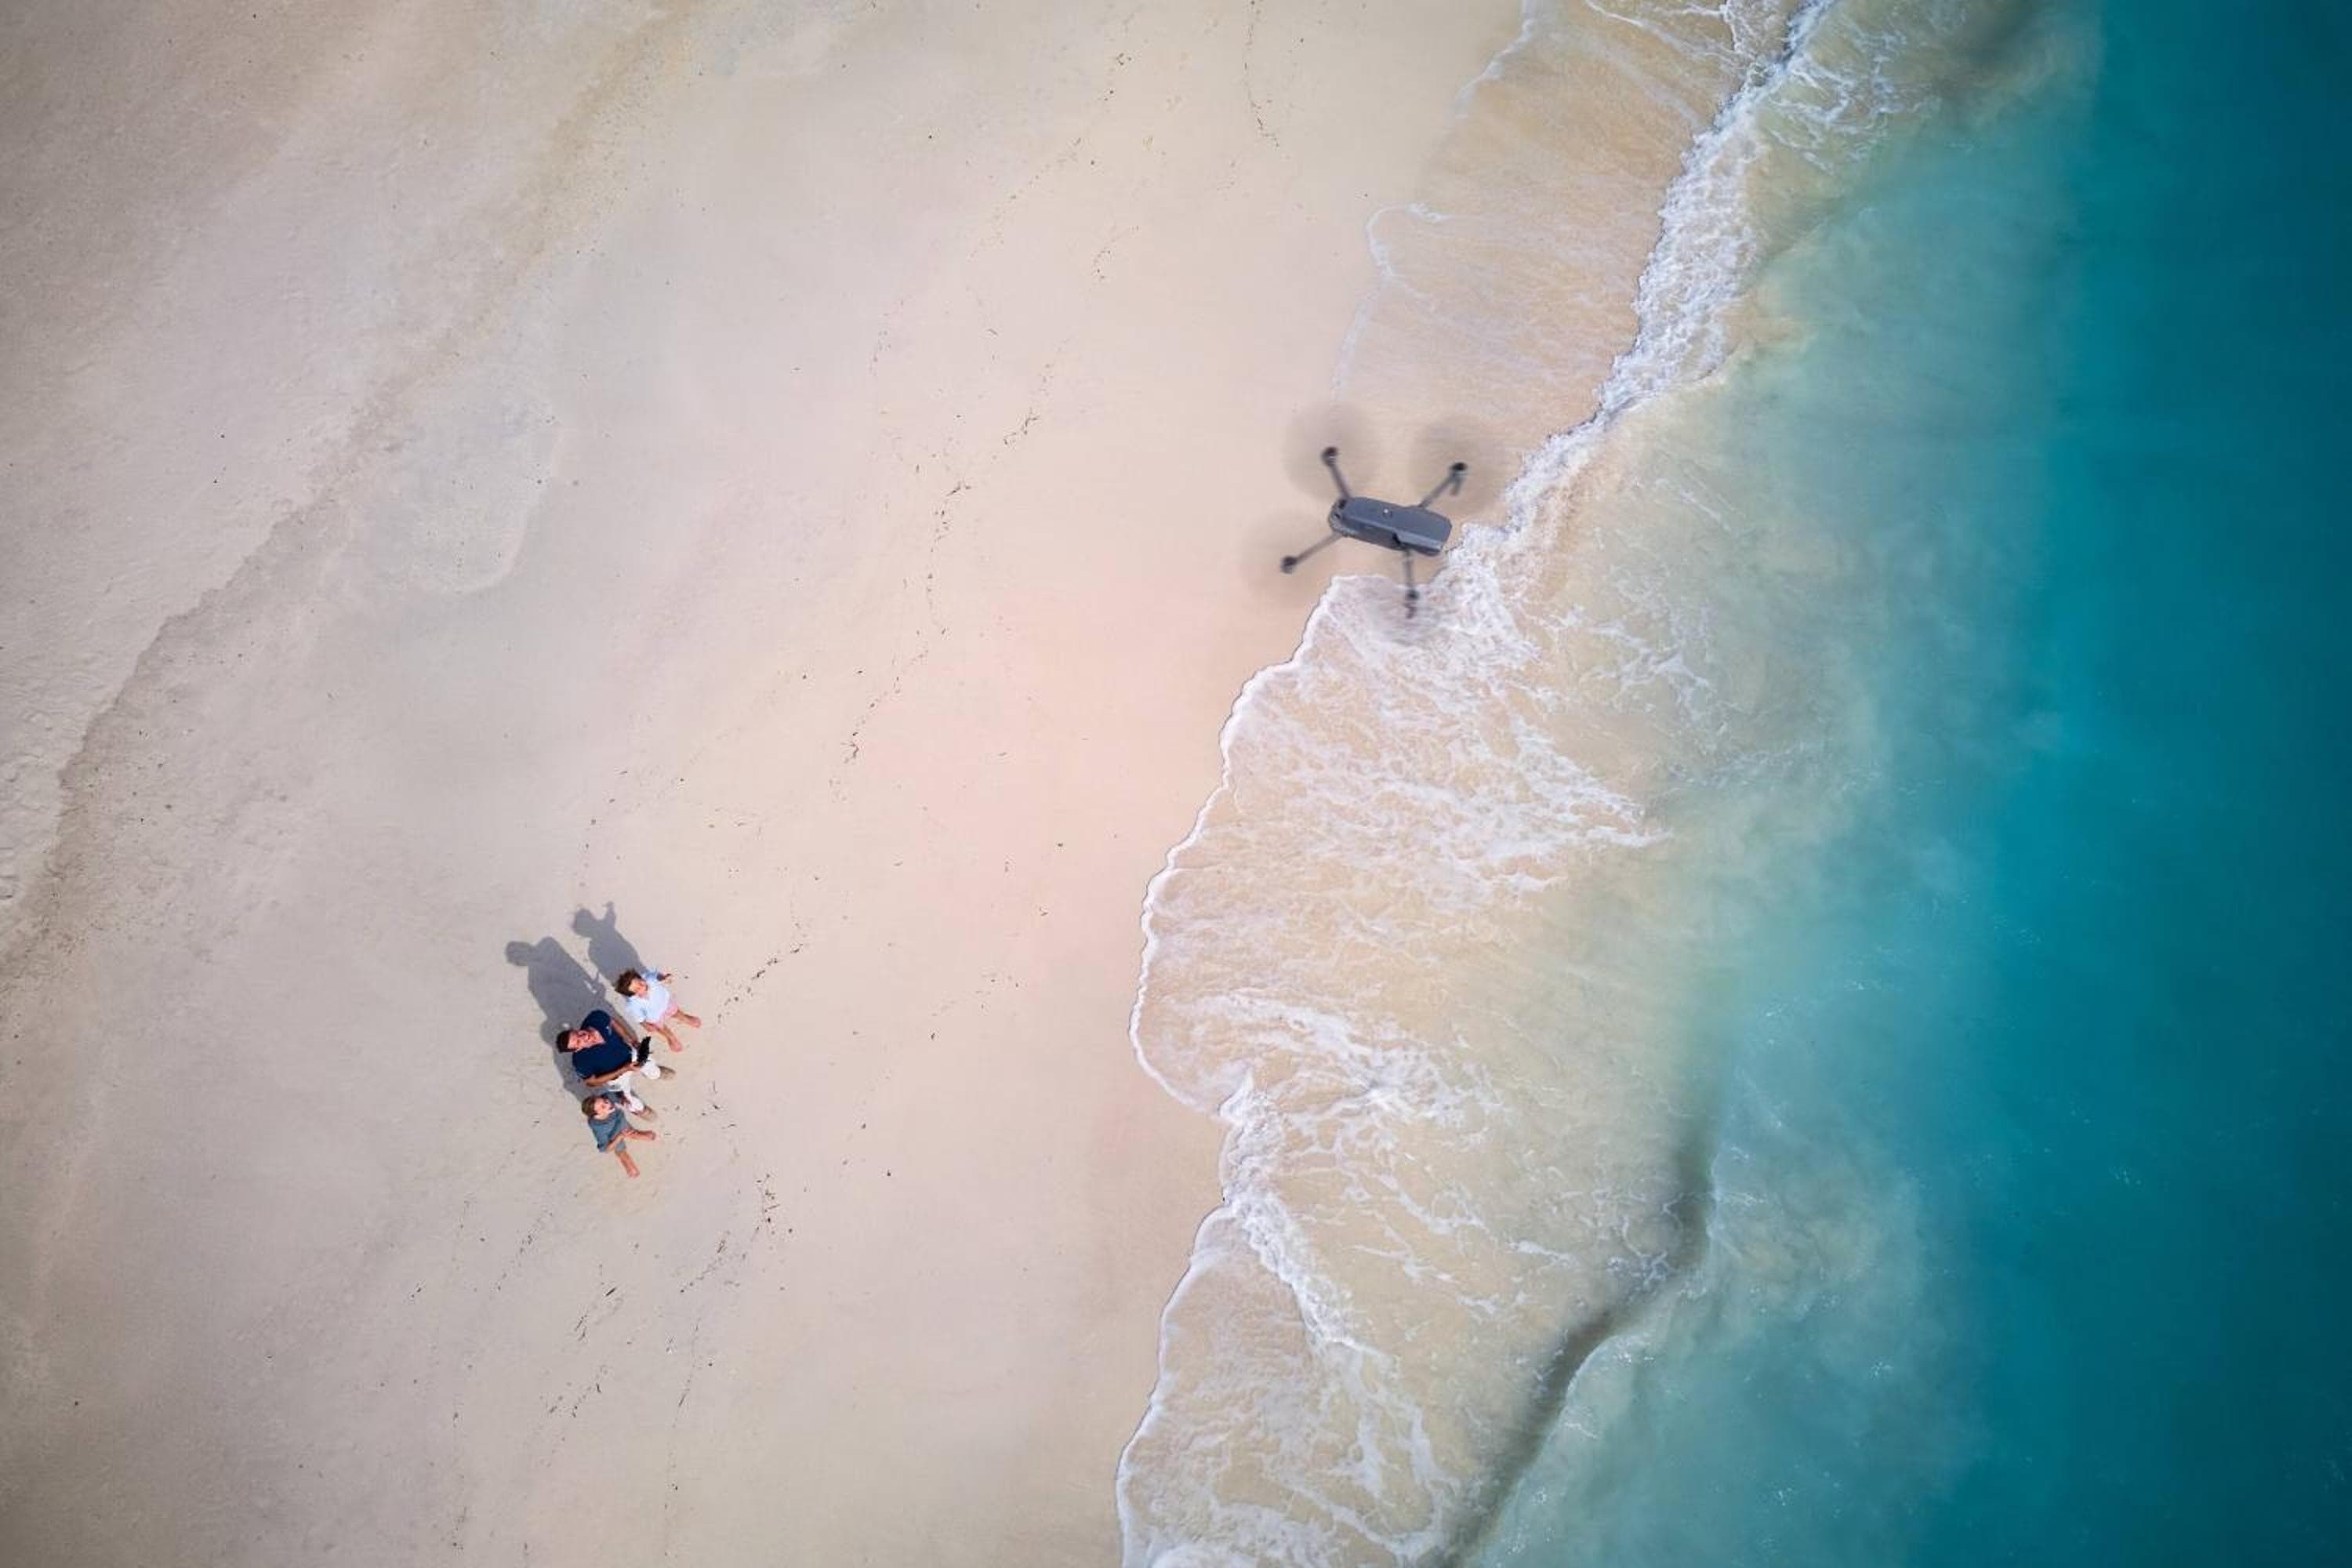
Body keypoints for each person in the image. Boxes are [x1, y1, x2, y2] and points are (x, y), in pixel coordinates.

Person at [560, 1007, 662, 1113]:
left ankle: (656, 1074)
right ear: (577, 1049)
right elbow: (591, 1082)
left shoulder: (595, 1017)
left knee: (653, 1069)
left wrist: (632, 1041)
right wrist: (624, 1069)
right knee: (628, 1096)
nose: (583, 1037)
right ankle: (638, 1108)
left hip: (631, 1055)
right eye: (578, 1042)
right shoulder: (580, 1061)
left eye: (577, 1034)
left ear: (575, 1030)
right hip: (617, 1078)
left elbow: (612, 1021)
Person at [615, 966, 702, 1054]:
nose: (641, 986)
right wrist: (645, 1025)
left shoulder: (649, 980)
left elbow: (656, 976)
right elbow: (639, 1016)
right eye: (637, 989)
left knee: (677, 1012)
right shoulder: (633, 1004)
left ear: (641, 977)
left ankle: (686, 1019)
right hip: (654, 1017)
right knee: (662, 1028)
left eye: (639, 982)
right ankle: (671, 1037)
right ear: (633, 995)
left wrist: (664, 978)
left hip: (666, 1003)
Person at [583, 1094, 657, 1178]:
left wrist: (626, 1103)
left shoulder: (608, 1099)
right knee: (620, 1149)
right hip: (614, 1136)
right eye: (603, 1107)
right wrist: (620, 1136)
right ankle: (625, 1159)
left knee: (626, 1127)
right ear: (597, 1115)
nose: (608, 1104)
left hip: (621, 1122)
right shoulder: (600, 1129)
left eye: (605, 1101)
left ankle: (634, 1134)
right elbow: (605, 1149)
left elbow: (617, 1096)